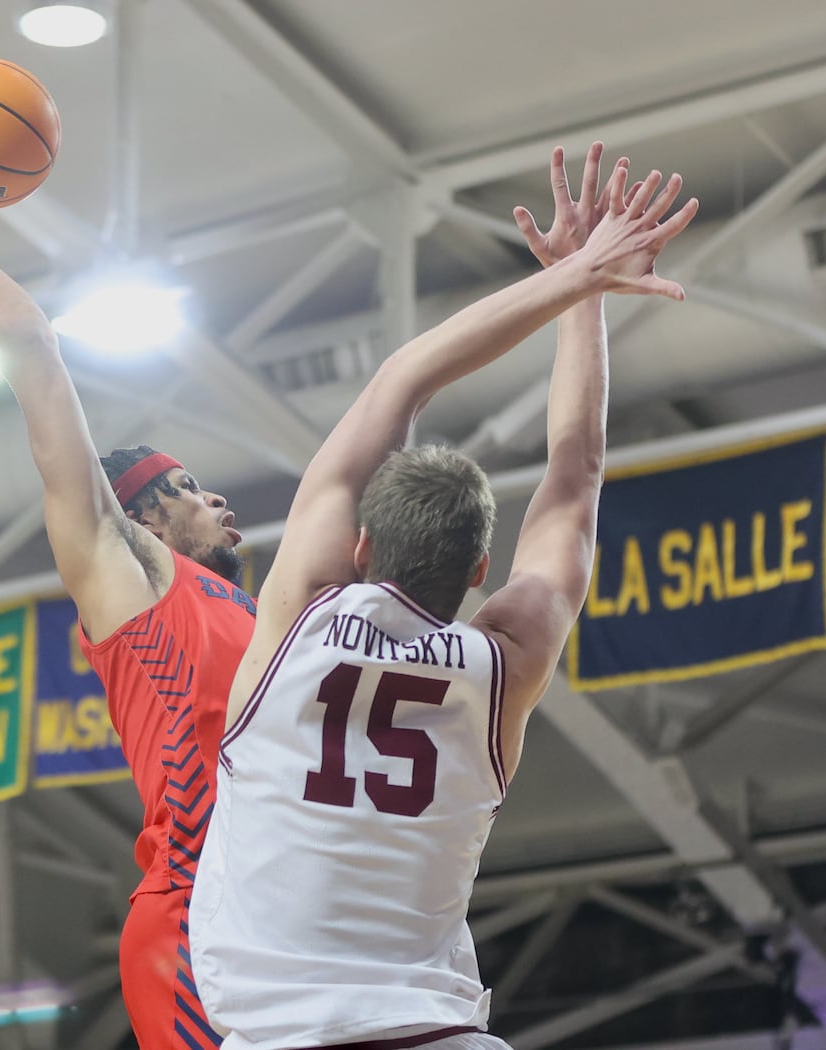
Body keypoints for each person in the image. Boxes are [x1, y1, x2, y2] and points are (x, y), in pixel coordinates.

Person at [189, 144, 698, 1050]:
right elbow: (575, 477)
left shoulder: (302, 611)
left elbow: (404, 378)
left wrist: (575, 275)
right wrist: (588, 300)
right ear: (478, 572)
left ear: (356, 547)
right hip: (436, 1035)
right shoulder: (504, 659)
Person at [0, 119, 248, 1050]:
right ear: (139, 519)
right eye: (181, 487)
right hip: (195, 920)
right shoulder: (131, 573)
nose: (211, 494)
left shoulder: (266, 618)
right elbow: (39, 362)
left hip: (287, 916)